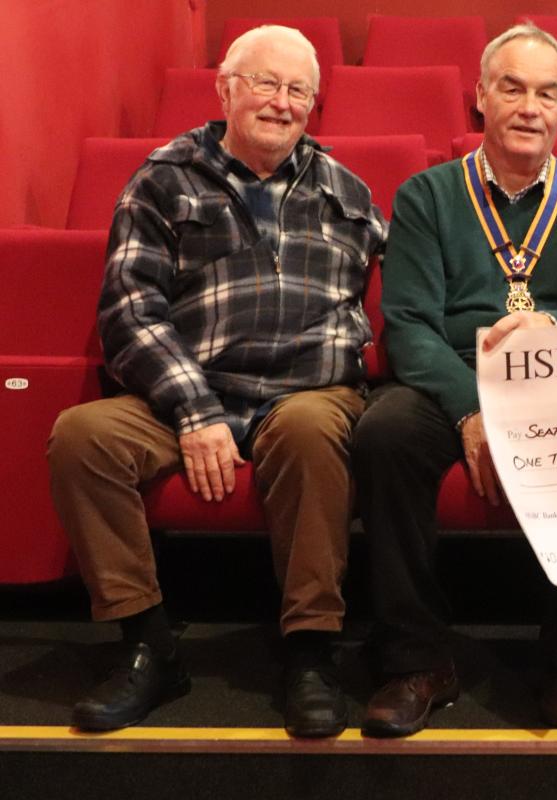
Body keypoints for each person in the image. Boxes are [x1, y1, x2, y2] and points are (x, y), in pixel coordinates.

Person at [46, 25, 386, 737]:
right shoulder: (163, 179)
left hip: (309, 392)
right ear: (225, 89)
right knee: (82, 437)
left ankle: (312, 649)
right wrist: (193, 407)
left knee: (310, 429)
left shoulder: (346, 191)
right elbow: (129, 311)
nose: (281, 102)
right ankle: (146, 642)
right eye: (265, 83)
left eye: (298, 90)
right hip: (190, 390)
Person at [350, 24, 557, 749]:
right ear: (481, 97)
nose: (530, 106)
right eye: (513, 88)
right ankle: (416, 661)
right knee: (384, 432)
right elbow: (408, 326)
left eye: (546, 93)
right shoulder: (428, 195)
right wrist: (471, 408)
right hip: (451, 380)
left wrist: (548, 328)